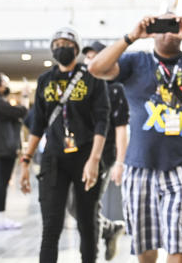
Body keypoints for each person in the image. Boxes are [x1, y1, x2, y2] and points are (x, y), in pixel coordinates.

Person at [87, 13, 182, 263]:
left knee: (177, 242)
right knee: (144, 243)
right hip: (139, 166)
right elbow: (96, 68)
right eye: (161, 25)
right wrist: (131, 36)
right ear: (151, 30)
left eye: (173, 24)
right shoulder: (137, 61)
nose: (168, 30)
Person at [20, 26, 110, 263]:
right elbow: (38, 124)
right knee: (51, 224)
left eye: (66, 45)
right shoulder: (45, 81)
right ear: (52, 50)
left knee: (87, 223)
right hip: (54, 158)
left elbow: (103, 120)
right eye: (57, 45)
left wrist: (94, 160)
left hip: (85, 155)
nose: (61, 49)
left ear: (76, 49)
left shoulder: (92, 76)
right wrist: (26, 161)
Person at [65, 41, 129, 261]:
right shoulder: (80, 87)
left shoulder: (115, 88)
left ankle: (94, 249)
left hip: (103, 155)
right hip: (78, 153)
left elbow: (122, 128)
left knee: (87, 206)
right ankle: (109, 228)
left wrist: (119, 162)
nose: (90, 60)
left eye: (96, 56)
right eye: (88, 56)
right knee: (73, 205)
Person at [0, 73, 29, 229]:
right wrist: (25, 95)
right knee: (1, 183)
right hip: (4, 149)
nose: (7, 86)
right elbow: (22, 111)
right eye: (5, 82)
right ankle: (0, 218)